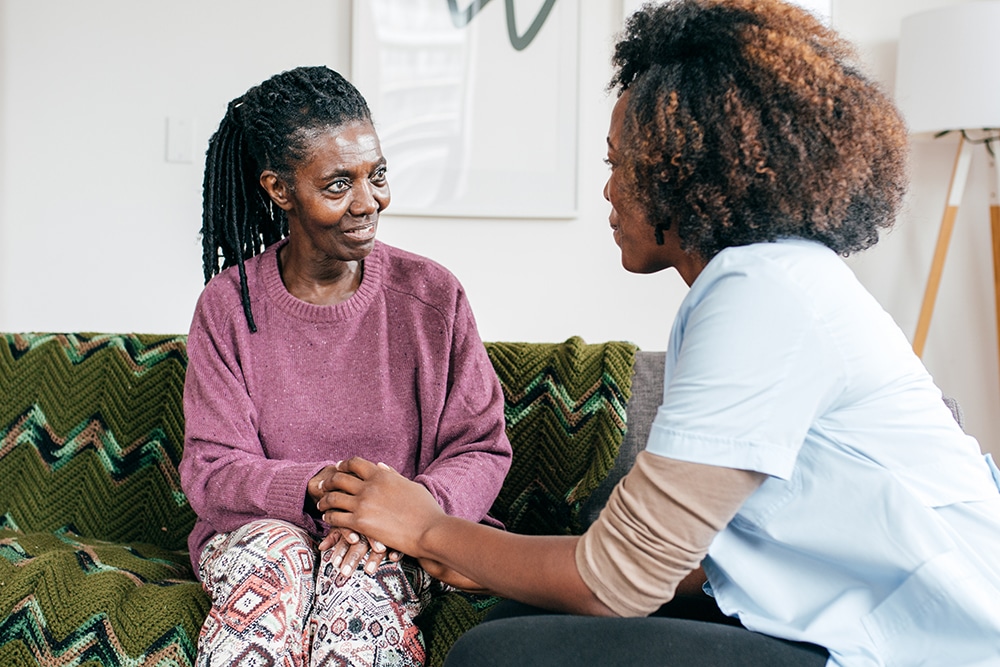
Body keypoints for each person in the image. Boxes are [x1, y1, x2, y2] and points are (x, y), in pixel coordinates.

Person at [316, 1, 1000, 665]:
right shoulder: (766, 281)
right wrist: (488, 560)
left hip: (929, 640)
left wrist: (429, 528)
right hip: (843, 617)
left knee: (503, 654)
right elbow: (682, 558)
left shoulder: (762, 292)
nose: (610, 191)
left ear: (685, 170)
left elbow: (619, 579)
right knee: (522, 621)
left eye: (620, 164)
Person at [178, 65, 512, 667]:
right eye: (337, 186)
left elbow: (481, 448)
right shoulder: (228, 307)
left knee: (353, 589)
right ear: (280, 190)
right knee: (272, 574)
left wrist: (402, 511)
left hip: (398, 536)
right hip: (264, 532)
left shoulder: (432, 296)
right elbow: (211, 469)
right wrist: (320, 489)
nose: (368, 202)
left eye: (376, 175)